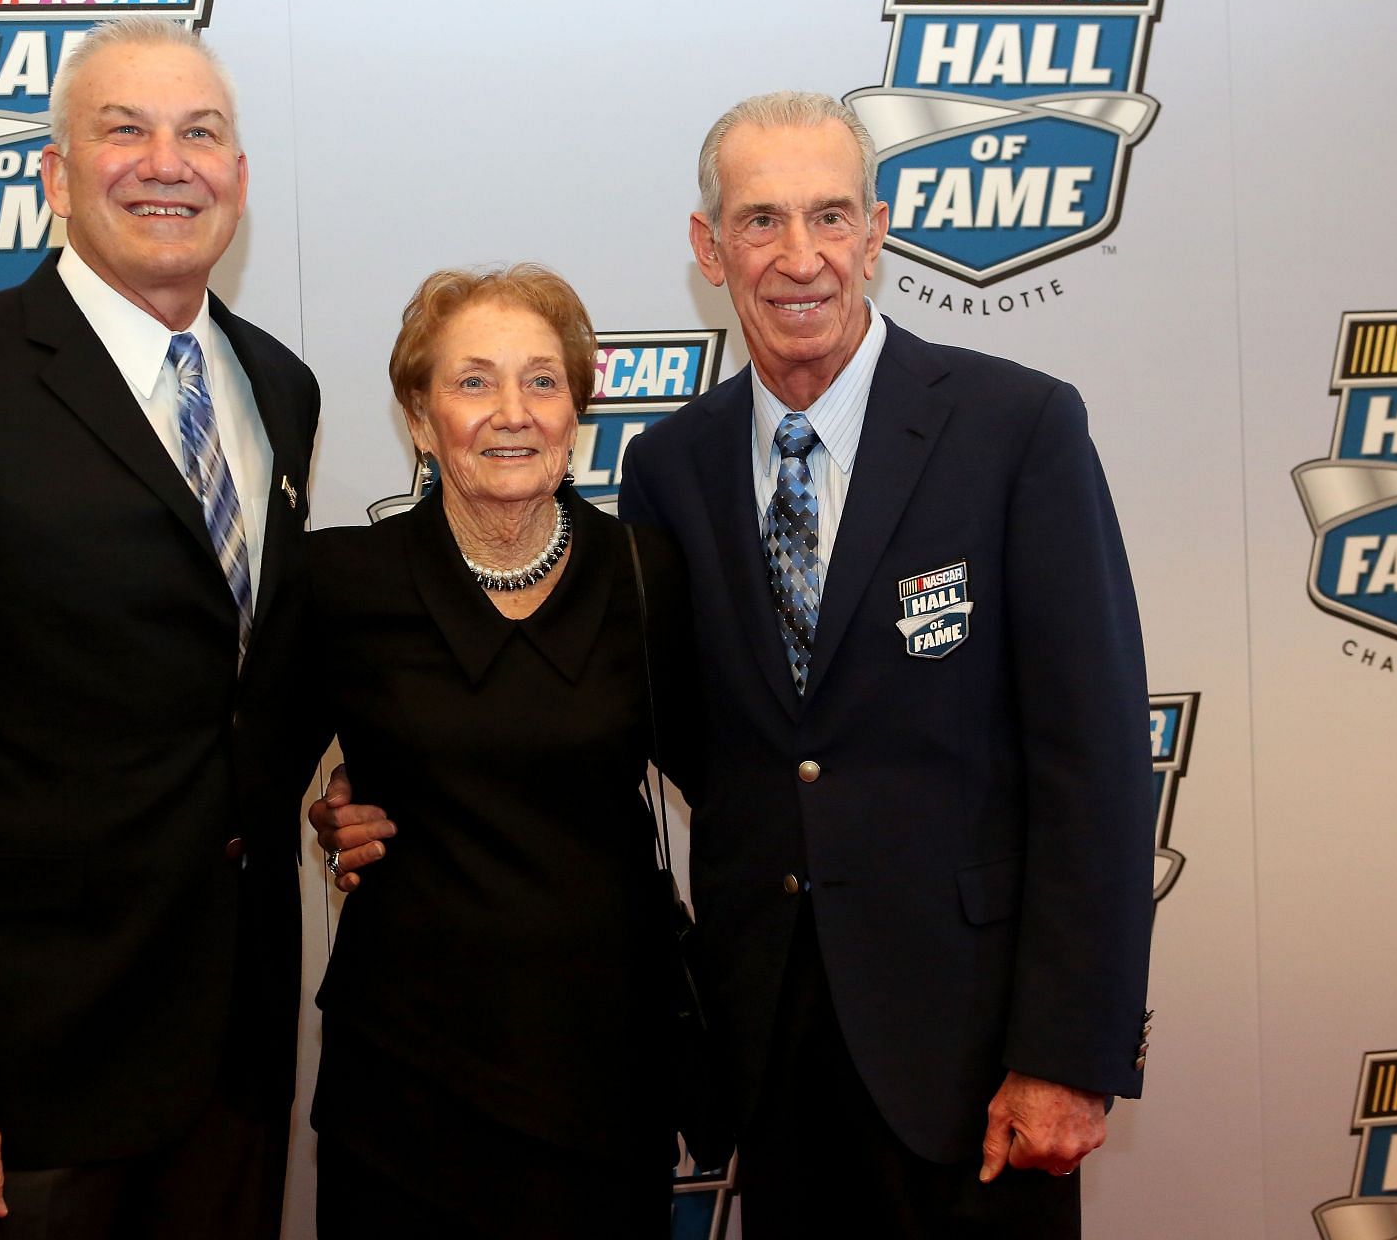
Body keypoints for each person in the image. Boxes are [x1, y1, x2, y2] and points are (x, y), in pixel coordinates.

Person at [316, 90, 1156, 1238]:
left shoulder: (1017, 428)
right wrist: (381, 800)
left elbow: (1097, 759)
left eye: (828, 216)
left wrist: (1068, 1048)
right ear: (711, 249)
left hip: (971, 1055)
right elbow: (649, 730)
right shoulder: (675, 465)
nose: (797, 256)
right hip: (765, 1048)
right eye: (760, 220)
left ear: (880, 229)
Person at [0, 17, 318, 1240]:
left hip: (236, 1061)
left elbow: (239, 676)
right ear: (55, 174)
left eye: (201, 133)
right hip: (23, 1082)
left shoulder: (278, 384)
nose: (165, 161)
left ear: (239, 177)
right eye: (122, 129)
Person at [299, 265, 700, 1239]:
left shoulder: (648, 570)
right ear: (421, 420)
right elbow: (232, 782)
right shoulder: (341, 579)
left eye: (542, 380)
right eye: (473, 381)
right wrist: (328, 813)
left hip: (605, 1081)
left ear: (577, 412)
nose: (511, 412)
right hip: (402, 1090)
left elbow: (744, 781)